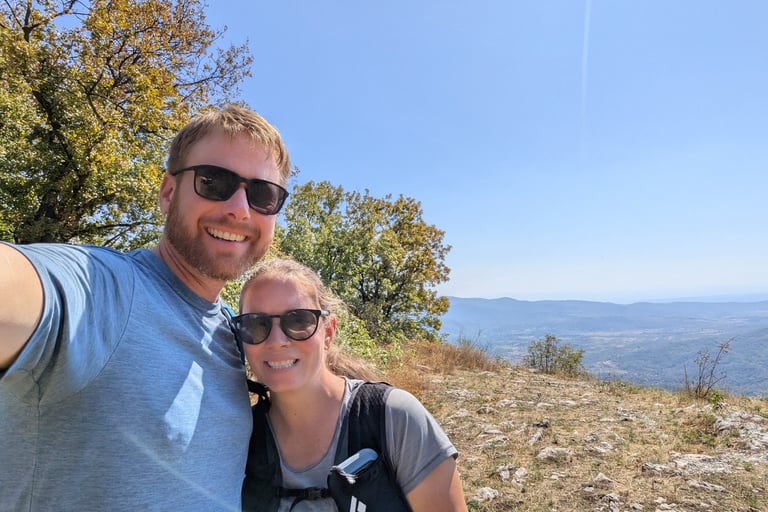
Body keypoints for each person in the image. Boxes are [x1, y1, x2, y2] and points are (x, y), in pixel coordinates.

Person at [0, 105, 291, 511]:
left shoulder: (235, 332)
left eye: (263, 195)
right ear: (168, 193)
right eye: (214, 181)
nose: (240, 209)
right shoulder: (104, 289)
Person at [233, 257, 469, 511]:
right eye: (256, 324)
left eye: (298, 320)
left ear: (328, 333)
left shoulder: (394, 418)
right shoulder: (239, 440)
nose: (276, 340)